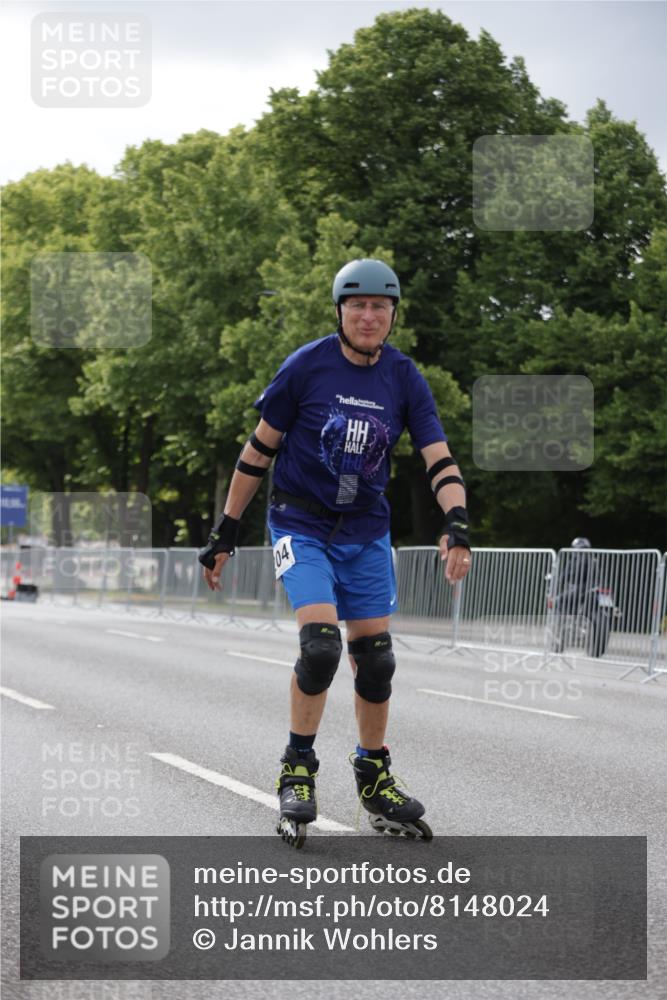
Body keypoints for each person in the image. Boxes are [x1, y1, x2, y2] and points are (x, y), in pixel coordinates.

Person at [199, 259, 472, 845]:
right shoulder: (307, 366)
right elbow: (256, 453)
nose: (370, 316)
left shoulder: (403, 377)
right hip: (299, 522)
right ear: (341, 312)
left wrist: (457, 520)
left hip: (366, 530)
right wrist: (226, 531)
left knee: (375, 660)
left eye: (381, 306)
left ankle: (373, 778)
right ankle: (297, 768)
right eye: (358, 305)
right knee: (321, 648)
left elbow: (439, 458)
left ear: (393, 314)